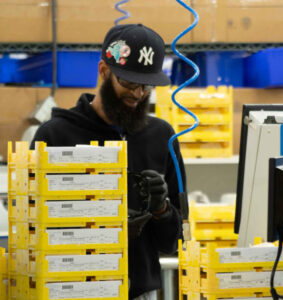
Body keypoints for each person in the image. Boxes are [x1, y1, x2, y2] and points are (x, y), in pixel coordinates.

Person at [30, 23, 186, 300]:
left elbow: (173, 241)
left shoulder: (162, 137)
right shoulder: (54, 135)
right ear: (104, 71)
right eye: (128, 82)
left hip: (139, 290)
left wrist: (162, 208)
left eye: (146, 85)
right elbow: (31, 230)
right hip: (69, 288)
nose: (138, 94)